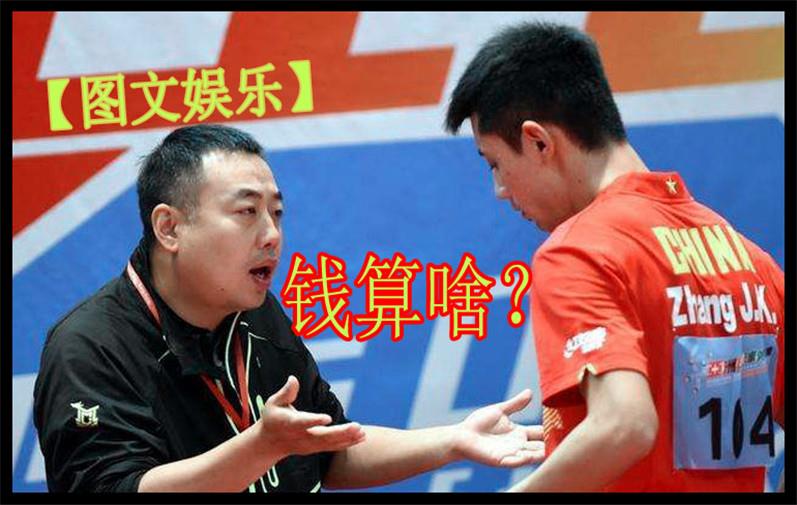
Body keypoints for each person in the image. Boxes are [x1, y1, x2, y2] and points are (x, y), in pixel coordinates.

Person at [33, 124, 545, 493]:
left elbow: (331, 453)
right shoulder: (89, 347)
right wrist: (261, 447)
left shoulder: (257, 315)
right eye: (247, 212)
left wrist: (452, 440)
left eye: (276, 213)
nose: (272, 235)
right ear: (170, 228)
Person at [445, 22, 784, 492]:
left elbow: (625, 424)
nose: (500, 190)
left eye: (496, 163)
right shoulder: (750, 261)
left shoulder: (578, 252)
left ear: (539, 141)